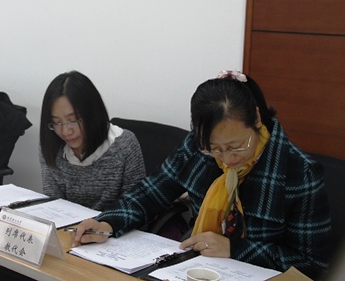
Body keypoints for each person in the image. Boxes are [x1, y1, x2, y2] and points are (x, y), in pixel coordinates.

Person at [72, 70, 331, 279]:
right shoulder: (197, 148)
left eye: (236, 146)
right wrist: (109, 222)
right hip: (197, 269)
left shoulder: (298, 172)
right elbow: (151, 192)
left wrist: (235, 249)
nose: (227, 159)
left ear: (256, 118)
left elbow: (310, 264)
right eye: (214, 149)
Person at [39, 71, 145, 211]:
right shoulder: (51, 145)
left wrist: (103, 222)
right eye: (57, 122)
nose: (66, 131)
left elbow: (134, 207)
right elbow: (53, 203)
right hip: (67, 223)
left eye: (73, 120)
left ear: (92, 113)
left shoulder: (124, 145)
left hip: (112, 223)